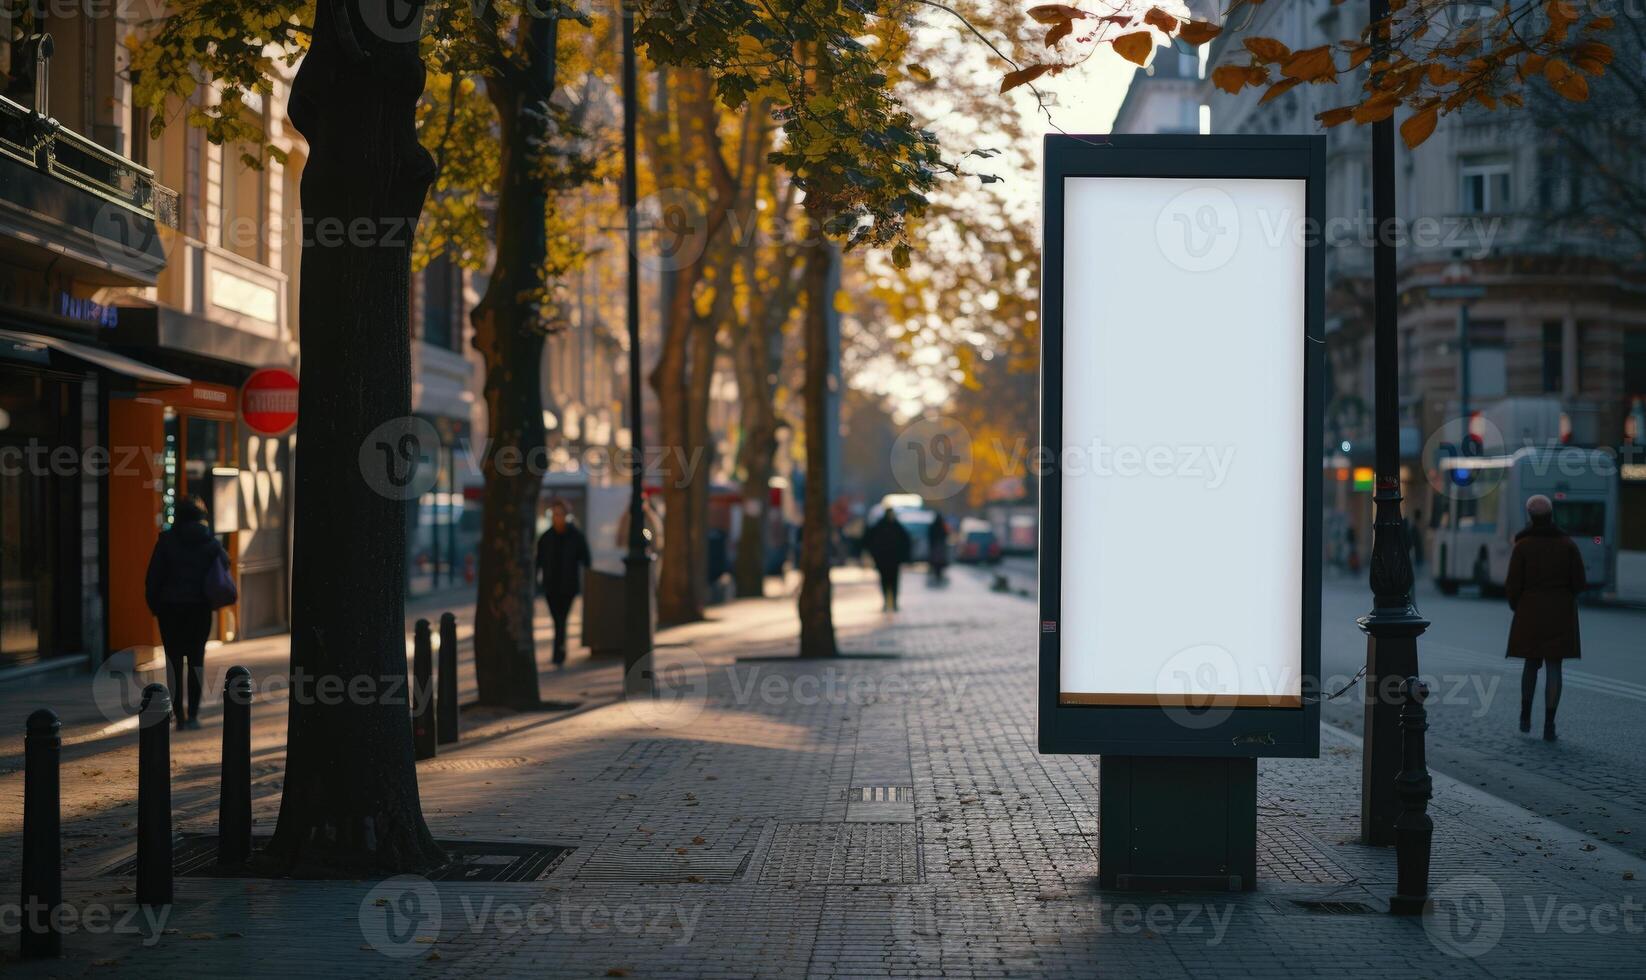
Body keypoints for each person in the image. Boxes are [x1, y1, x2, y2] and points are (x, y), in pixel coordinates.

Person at [1505, 494, 1586, 741]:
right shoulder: (1567, 545)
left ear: (1530, 517)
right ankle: (1550, 724)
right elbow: (1579, 583)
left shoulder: (1522, 546)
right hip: (1560, 613)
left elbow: (1512, 586)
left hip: (1529, 611)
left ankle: (1525, 716)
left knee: (1530, 664)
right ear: (1551, 516)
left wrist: (1518, 606)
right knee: (1554, 666)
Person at [144, 495, 228, 729]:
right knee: (196, 661)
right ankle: (193, 715)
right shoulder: (210, 542)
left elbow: (153, 579)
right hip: (199, 610)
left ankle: (178, 714)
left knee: (173, 662)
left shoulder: (166, 542)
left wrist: (155, 607)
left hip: (170, 610)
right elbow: (225, 565)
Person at [535, 500, 591, 664]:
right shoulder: (546, 537)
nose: (557, 518)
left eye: (560, 514)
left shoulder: (576, 535)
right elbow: (538, 561)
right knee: (557, 618)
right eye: (555, 514)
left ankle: (558, 653)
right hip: (551, 585)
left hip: (568, 585)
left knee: (561, 618)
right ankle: (559, 650)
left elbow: (586, 559)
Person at [863, 509, 911, 611]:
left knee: (892, 582)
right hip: (885, 560)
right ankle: (888, 602)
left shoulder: (894, 526)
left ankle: (893, 602)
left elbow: (906, 541)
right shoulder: (885, 526)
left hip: (891, 560)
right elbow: (869, 539)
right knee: (886, 582)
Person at [927, 512, 950, 583]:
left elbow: (930, 535)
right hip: (940, 546)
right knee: (939, 560)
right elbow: (946, 534)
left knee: (936, 560)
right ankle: (938, 572)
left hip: (935, 546)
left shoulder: (933, 526)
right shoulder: (942, 526)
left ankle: (936, 571)